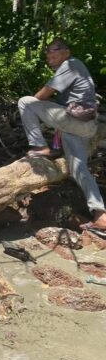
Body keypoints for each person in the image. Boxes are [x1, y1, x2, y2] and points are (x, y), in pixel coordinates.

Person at [18, 38, 106, 231]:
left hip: (78, 123)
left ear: (66, 52)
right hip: (80, 126)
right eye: (47, 53)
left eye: (53, 51)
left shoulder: (71, 64)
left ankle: (40, 146)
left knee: (25, 102)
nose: (49, 56)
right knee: (78, 169)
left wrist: (35, 110)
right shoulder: (71, 67)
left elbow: (42, 95)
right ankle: (101, 214)